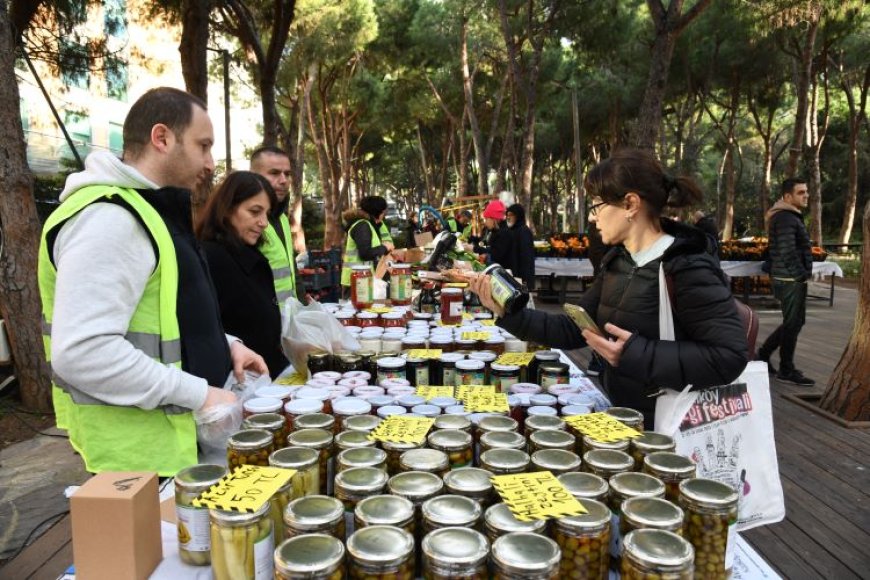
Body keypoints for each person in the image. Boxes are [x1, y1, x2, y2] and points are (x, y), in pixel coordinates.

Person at [38, 87, 267, 476]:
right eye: (203, 146)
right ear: (162, 138)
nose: (211, 163)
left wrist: (226, 345)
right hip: (141, 461)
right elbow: (83, 351)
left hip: (172, 449)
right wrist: (199, 394)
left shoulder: (149, 212)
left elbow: (166, 316)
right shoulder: (109, 219)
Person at [468, 148, 748, 428]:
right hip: (623, 414)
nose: (593, 218)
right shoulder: (618, 261)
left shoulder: (687, 266)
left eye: (597, 206)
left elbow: (728, 356)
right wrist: (508, 312)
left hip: (670, 425)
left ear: (630, 204)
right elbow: (574, 328)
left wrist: (634, 354)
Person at [197, 172, 289, 378]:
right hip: (237, 384)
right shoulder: (210, 258)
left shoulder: (252, 255)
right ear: (227, 209)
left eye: (267, 213)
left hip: (269, 380)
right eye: (255, 212)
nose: (264, 222)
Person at [756, 179, 815, 386]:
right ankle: (786, 369)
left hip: (788, 277)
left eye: (806, 191)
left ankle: (763, 355)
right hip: (789, 279)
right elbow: (787, 250)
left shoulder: (787, 217)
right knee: (793, 323)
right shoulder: (785, 219)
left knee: (794, 322)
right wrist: (800, 275)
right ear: (788, 197)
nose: (806, 195)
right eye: (801, 192)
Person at [250, 146, 302, 303]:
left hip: (288, 319)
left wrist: (302, 307)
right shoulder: (243, 221)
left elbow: (291, 268)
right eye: (274, 173)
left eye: (287, 174)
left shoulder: (282, 219)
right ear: (253, 176)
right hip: (263, 323)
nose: (284, 180)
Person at [340, 195, 404, 287]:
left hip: (362, 280)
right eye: (383, 212)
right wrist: (385, 247)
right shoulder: (362, 226)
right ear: (377, 212)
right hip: (356, 283)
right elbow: (365, 253)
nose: (383, 216)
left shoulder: (368, 225)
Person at [504, 203, 536, 291]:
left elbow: (526, 258)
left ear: (518, 216)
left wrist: (525, 281)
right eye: (507, 215)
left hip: (521, 278)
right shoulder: (510, 230)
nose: (508, 217)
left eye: (511, 215)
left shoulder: (524, 231)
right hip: (512, 275)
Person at [473, 200, 512, 268]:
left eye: (486, 219)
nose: (485, 222)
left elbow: (497, 254)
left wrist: (474, 249)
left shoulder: (504, 233)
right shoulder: (496, 231)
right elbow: (493, 249)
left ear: (494, 218)